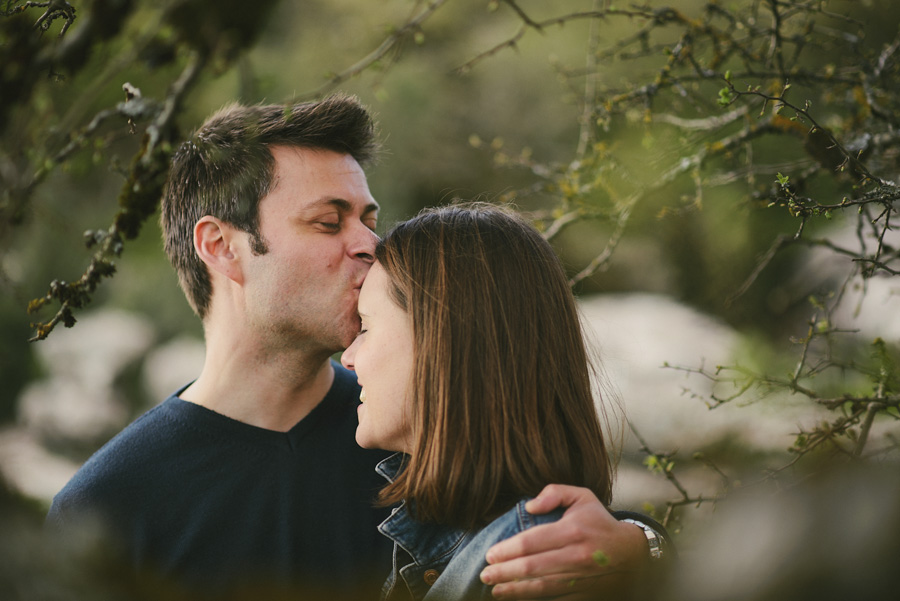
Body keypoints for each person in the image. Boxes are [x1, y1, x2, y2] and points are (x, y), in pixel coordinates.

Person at [46, 94, 666, 599]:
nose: (369, 242)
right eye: (328, 220)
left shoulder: (417, 422)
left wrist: (639, 546)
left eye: (369, 217)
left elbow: (546, 523)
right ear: (222, 247)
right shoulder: (104, 507)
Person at [340, 203, 666, 600]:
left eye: (366, 326)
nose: (349, 357)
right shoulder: (455, 529)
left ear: (443, 342)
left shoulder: (533, 563)